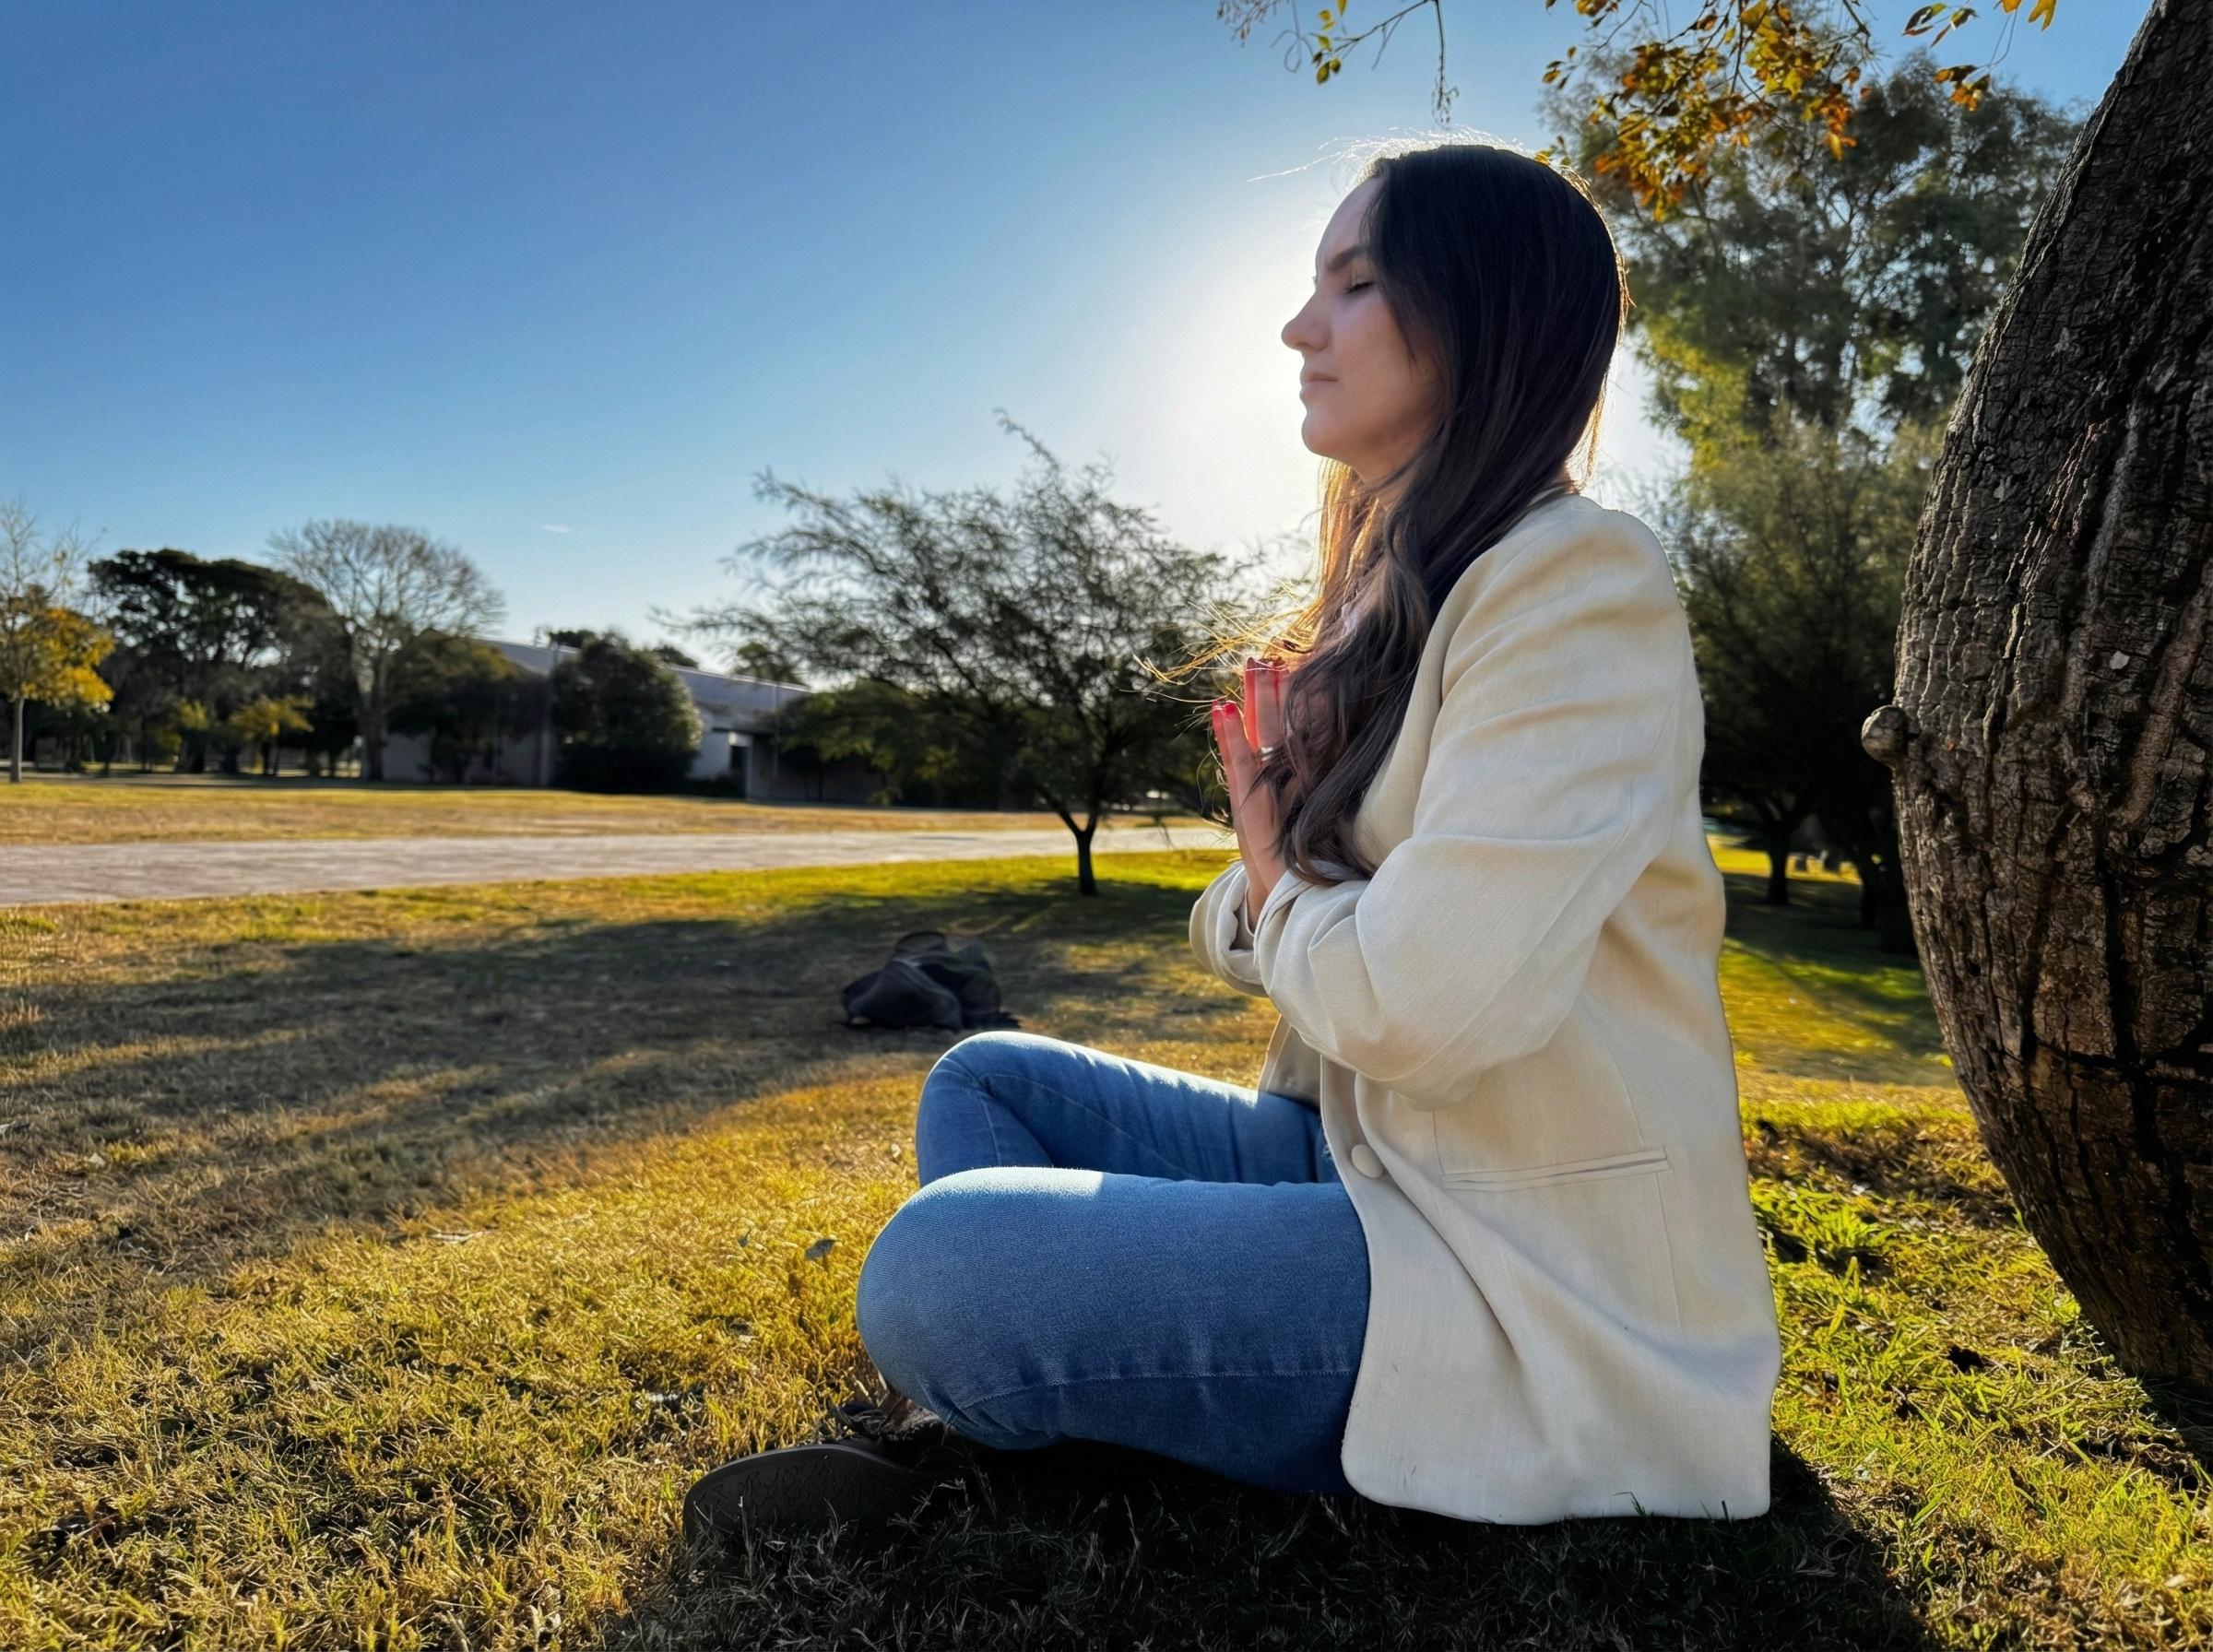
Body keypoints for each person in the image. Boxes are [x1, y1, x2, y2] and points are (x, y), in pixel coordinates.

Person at [683, 135, 1782, 1542]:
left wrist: (1282, 869)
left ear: (1477, 312)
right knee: (983, 1082)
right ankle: (1082, 1391)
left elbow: (1419, 1002)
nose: (1296, 327)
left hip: (1514, 1267)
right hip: (1360, 1159)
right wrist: (1285, 873)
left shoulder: (1579, 583)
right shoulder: (1412, 599)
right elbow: (1237, 921)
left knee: (940, 1270)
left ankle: (1041, 1395)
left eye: (1354, 282)